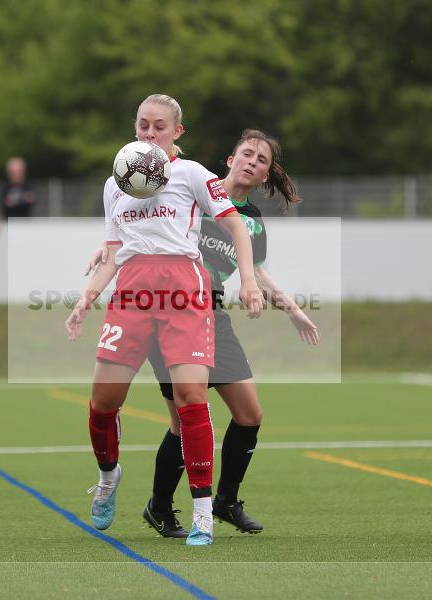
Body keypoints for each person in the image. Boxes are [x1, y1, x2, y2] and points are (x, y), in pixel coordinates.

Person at [86, 130, 318, 538]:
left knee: (249, 414)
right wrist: (110, 249)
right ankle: (160, 507)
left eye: (261, 160)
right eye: (246, 153)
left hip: (214, 315)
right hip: (172, 310)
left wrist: (294, 310)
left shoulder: (251, 222)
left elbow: (256, 272)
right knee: (182, 420)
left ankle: (226, 501)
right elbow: (138, 223)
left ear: (266, 174)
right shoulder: (193, 189)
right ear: (230, 159)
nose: (252, 162)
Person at [65, 94, 264, 546]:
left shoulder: (193, 174)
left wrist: (249, 281)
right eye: (143, 125)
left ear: (177, 131)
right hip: (132, 292)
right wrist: (86, 298)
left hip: (183, 290)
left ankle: (202, 514)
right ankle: (108, 477)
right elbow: (114, 250)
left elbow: (236, 226)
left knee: (192, 397)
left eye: (159, 126)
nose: (150, 134)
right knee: (102, 403)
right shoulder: (117, 181)